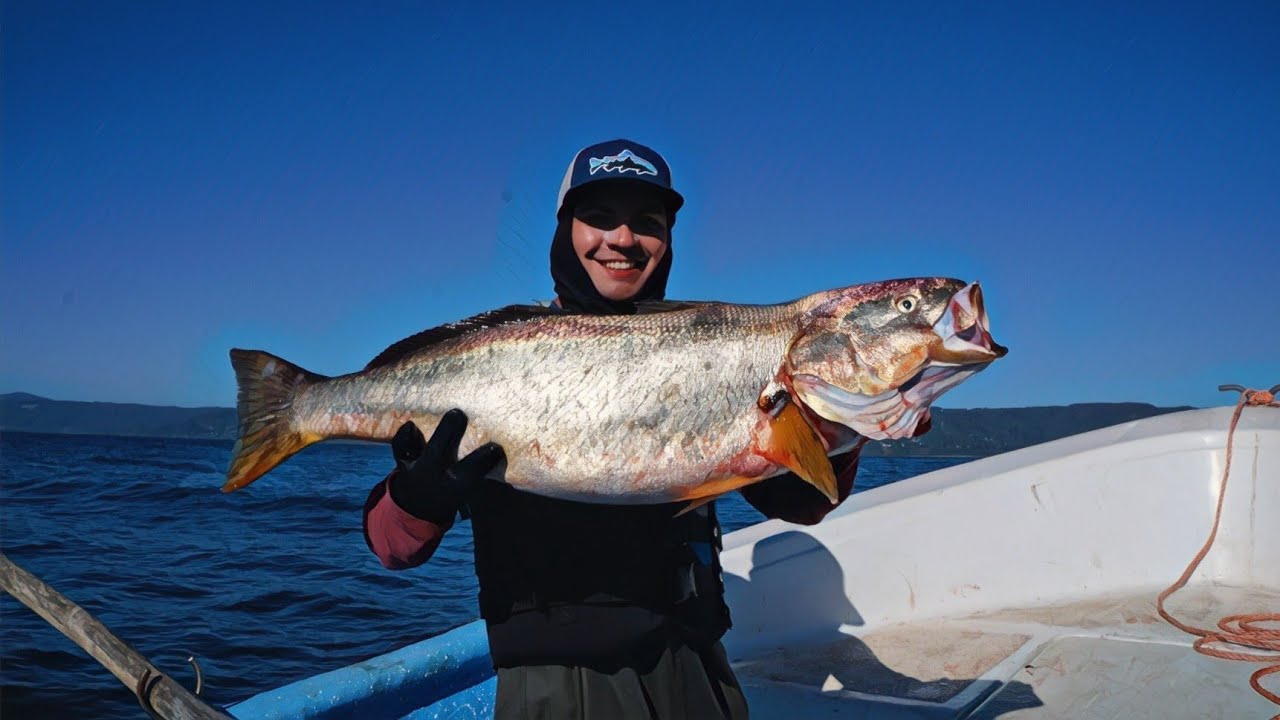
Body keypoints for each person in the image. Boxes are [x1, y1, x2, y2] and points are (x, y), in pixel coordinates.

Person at [362, 139, 872, 719]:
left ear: (668, 240)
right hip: (560, 685)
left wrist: (845, 425)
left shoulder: (717, 353)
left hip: (699, 667)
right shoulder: (495, 361)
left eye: (647, 222)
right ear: (566, 231)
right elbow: (390, 549)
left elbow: (801, 503)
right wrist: (418, 498)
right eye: (600, 218)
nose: (623, 239)